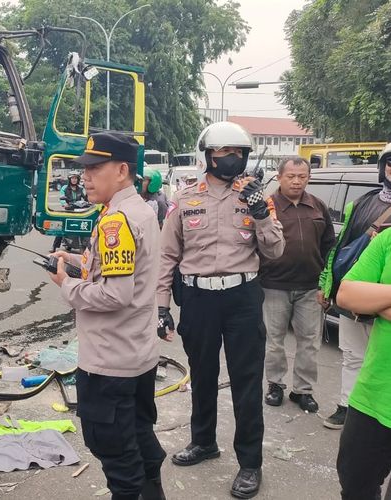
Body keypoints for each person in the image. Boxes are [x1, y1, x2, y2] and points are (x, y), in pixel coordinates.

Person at [157, 122, 285, 499]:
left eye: (238, 153)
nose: (232, 159)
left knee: (247, 382)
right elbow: (167, 256)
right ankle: (203, 442)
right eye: (223, 152)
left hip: (242, 297)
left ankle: (250, 463)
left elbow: (275, 251)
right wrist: (162, 307)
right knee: (203, 374)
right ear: (207, 156)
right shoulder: (185, 198)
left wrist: (261, 213)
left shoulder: (257, 197)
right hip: (197, 299)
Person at [47, 131, 166, 500]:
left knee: (117, 456)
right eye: (85, 169)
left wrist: (66, 285)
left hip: (109, 364)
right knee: (141, 440)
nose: (85, 177)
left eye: (94, 168)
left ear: (122, 170)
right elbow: (122, 271)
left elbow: (115, 294)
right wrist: (79, 262)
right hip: (137, 357)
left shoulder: (116, 221)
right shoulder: (141, 210)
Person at [319, 142, 391, 430]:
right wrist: (328, 286)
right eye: (390, 162)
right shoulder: (361, 203)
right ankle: (348, 406)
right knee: (352, 355)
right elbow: (340, 246)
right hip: (354, 292)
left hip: (382, 300)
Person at [259, 157, 336, 412]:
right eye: (291, 176)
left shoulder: (318, 206)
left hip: (310, 287)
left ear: (308, 178)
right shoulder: (267, 206)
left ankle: (303, 391)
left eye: (302, 176)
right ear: (279, 177)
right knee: (274, 340)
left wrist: (325, 280)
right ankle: (275, 385)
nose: (296, 181)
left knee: (309, 341)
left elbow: (329, 244)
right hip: (274, 285)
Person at [334, 227, 391, 500]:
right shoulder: (387, 239)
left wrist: (378, 299)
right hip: (374, 395)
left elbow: (364, 298)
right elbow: (347, 294)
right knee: (354, 481)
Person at [51, 171, 89, 252]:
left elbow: (86, 197)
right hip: (69, 210)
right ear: (69, 179)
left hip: (79, 210)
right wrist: (65, 204)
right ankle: (54, 246)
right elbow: (62, 197)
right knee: (62, 227)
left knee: (84, 226)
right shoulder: (64, 188)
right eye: (72, 178)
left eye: (76, 178)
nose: (74, 180)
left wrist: (89, 201)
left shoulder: (81, 188)